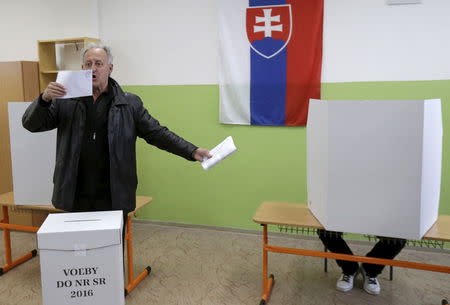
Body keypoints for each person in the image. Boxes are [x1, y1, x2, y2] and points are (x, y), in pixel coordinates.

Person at [22, 42, 211, 232]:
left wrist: (191, 150)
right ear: (82, 68)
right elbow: (31, 124)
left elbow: (157, 133)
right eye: (88, 64)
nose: (93, 68)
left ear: (110, 68)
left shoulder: (129, 103)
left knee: (110, 252)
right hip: (75, 191)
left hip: (114, 192)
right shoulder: (65, 99)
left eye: (99, 63)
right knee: (80, 250)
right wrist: (43, 100)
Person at [317, 229, 406, 295]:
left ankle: (370, 270)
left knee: (399, 238)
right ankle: (350, 269)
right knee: (324, 232)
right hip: (347, 213)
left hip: (378, 216)